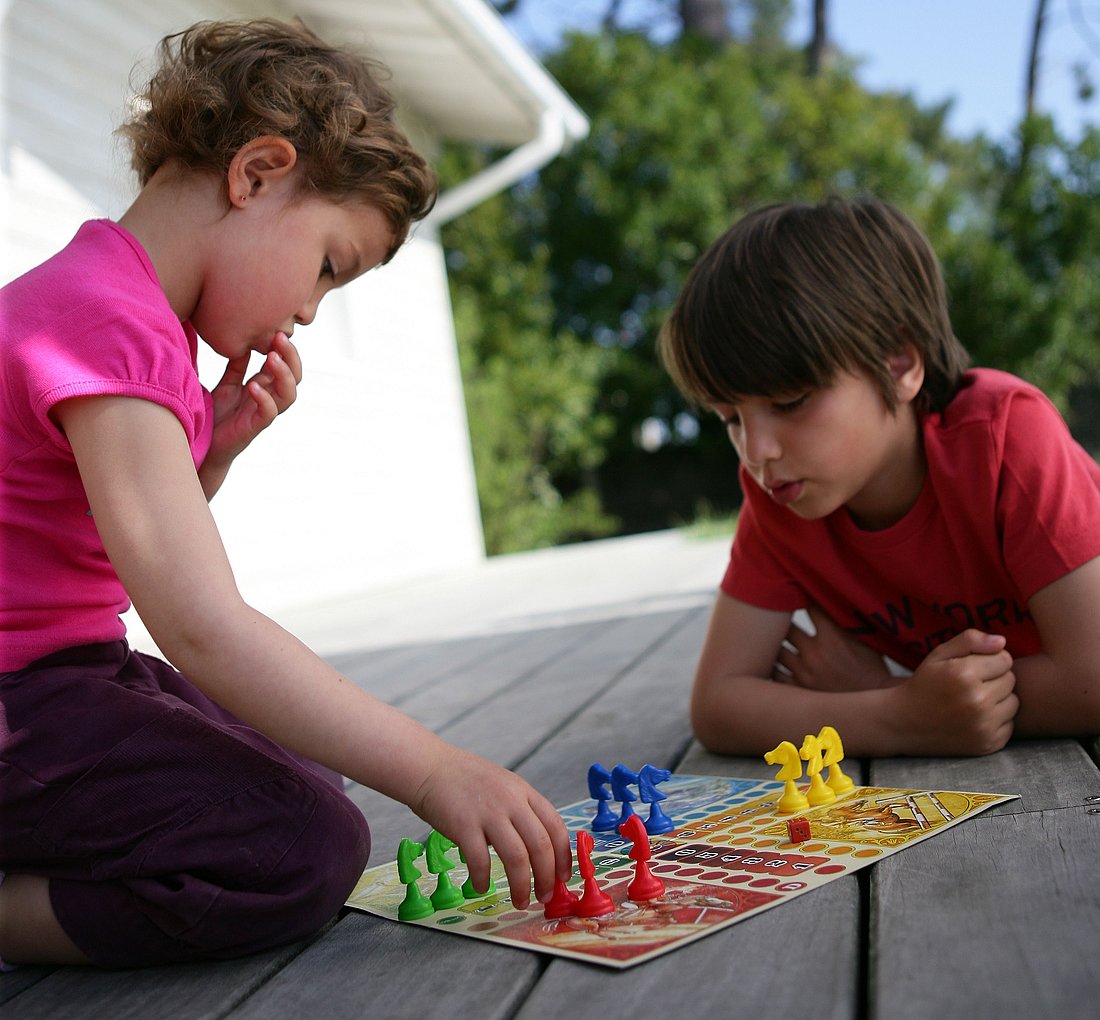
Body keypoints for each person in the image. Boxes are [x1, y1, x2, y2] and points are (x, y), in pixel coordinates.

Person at [0, 18, 571, 968]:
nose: (309, 310)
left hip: (60, 675)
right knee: (304, 848)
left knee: (308, 776)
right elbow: (200, 624)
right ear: (258, 172)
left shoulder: (122, 311)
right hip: (20, 698)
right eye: (327, 267)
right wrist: (435, 771)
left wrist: (207, 460)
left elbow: (79, 548)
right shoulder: (108, 324)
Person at [658, 196, 1100, 759]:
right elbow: (718, 706)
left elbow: (1093, 678)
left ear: (899, 366)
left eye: (790, 401)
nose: (756, 450)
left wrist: (890, 696)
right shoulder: (781, 498)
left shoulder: (1003, 437)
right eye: (730, 420)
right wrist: (898, 714)